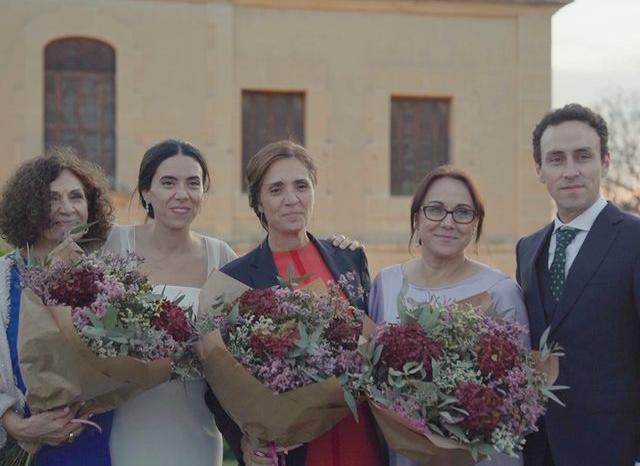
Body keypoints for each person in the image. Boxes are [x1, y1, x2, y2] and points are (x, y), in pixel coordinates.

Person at [205, 140, 384, 466]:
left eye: (301, 186)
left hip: (363, 440)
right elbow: (218, 383)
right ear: (258, 201)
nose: (292, 199)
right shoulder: (237, 279)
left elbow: (373, 346)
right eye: (276, 189)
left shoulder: (349, 257)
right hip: (294, 454)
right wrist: (245, 444)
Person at [369, 165, 530, 466]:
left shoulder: (500, 292)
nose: (448, 222)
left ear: (475, 223)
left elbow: (517, 403)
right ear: (417, 217)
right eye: (435, 210)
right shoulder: (386, 285)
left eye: (462, 212)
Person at [516, 103, 640, 466]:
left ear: (605, 163)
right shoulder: (528, 248)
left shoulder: (635, 240)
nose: (570, 171)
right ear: (539, 169)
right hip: (539, 449)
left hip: (616, 450)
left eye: (582, 156)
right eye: (556, 159)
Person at [104, 140, 237, 466]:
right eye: (168, 183)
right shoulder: (112, 244)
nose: (183, 193)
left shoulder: (221, 257)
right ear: (146, 192)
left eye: (193, 183)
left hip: (197, 428)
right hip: (128, 421)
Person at [0, 148, 115, 465]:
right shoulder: (2, 280)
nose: (67, 209)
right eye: (52, 198)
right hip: (26, 447)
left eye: (77, 197)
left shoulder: (108, 279)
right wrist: (17, 426)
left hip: (99, 442)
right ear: (29, 207)